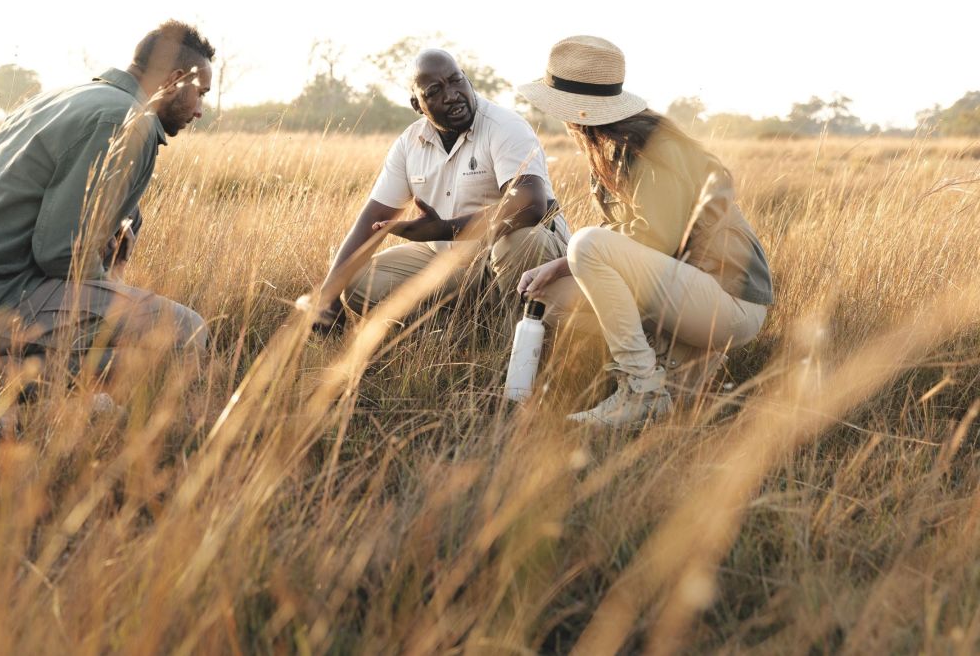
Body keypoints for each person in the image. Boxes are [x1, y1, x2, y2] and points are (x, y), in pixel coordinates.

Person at [0, 20, 215, 407]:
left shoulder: (76, 97)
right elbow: (62, 252)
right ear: (174, 80)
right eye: (200, 94)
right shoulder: (124, 120)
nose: (199, 110)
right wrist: (110, 297)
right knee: (185, 333)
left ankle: (69, 400)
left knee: (131, 229)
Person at [516, 36, 773, 427]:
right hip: (687, 291)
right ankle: (674, 365)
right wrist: (559, 266)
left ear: (577, 108)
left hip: (728, 302)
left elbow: (657, 240)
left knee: (586, 244)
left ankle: (643, 391)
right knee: (551, 295)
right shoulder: (609, 144)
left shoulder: (652, 147)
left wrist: (572, 256)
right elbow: (631, 237)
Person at [311, 48, 570, 331]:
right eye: (434, 91)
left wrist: (446, 229)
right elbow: (374, 218)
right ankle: (459, 334)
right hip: (451, 262)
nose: (451, 95)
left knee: (522, 239)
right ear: (417, 104)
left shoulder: (505, 126)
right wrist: (328, 294)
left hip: (516, 257)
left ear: (467, 79)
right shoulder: (409, 143)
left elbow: (529, 206)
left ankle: (518, 340)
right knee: (361, 281)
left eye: (456, 80)